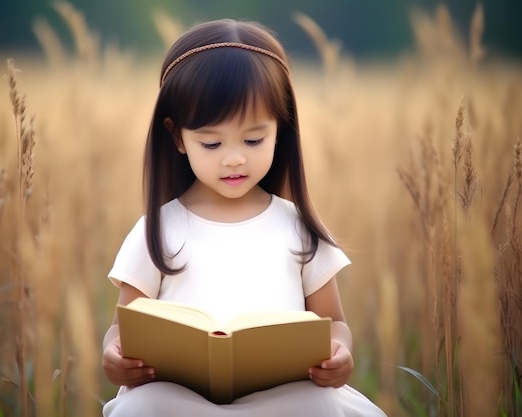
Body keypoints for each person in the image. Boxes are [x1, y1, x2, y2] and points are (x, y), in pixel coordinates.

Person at [101, 18, 387, 417]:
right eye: (212, 142)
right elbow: (123, 328)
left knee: (322, 403)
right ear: (177, 136)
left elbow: (334, 322)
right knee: (142, 406)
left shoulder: (298, 228)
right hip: (182, 400)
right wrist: (114, 355)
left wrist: (340, 351)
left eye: (253, 140)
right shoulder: (157, 229)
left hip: (282, 397)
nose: (234, 157)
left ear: (280, 130)